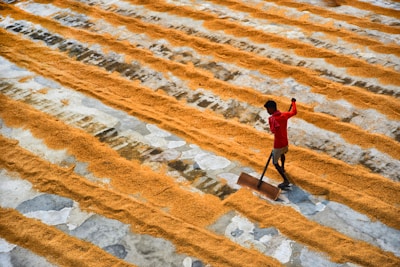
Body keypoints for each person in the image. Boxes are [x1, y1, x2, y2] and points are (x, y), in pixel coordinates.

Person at [264, 98, 297, 190]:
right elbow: (294, 112)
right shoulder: (284, 115)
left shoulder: (272, 119)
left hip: (278, 144)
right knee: (282, 154)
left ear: (271, 108)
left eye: (267, 109)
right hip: (285, 142)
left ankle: (285, 181)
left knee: (274, 162)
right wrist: (293, 102)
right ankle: (283, 167)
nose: (267, 111)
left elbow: (273, 130)